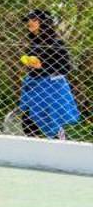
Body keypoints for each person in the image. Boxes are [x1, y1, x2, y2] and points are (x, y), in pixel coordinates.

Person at [17, 9, 79, 140]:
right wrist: (30, 64)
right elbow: (34, 66)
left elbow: (65, 68)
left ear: (44, 23)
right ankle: (37, 148)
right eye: (29, 20)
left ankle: (62, 147)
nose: (29, 23)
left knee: (52, 122)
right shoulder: (33, 44)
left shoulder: (56, 43)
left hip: (52, 88)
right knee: (28, 121)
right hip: (35, 86)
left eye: (34, 20)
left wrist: (42, 67)